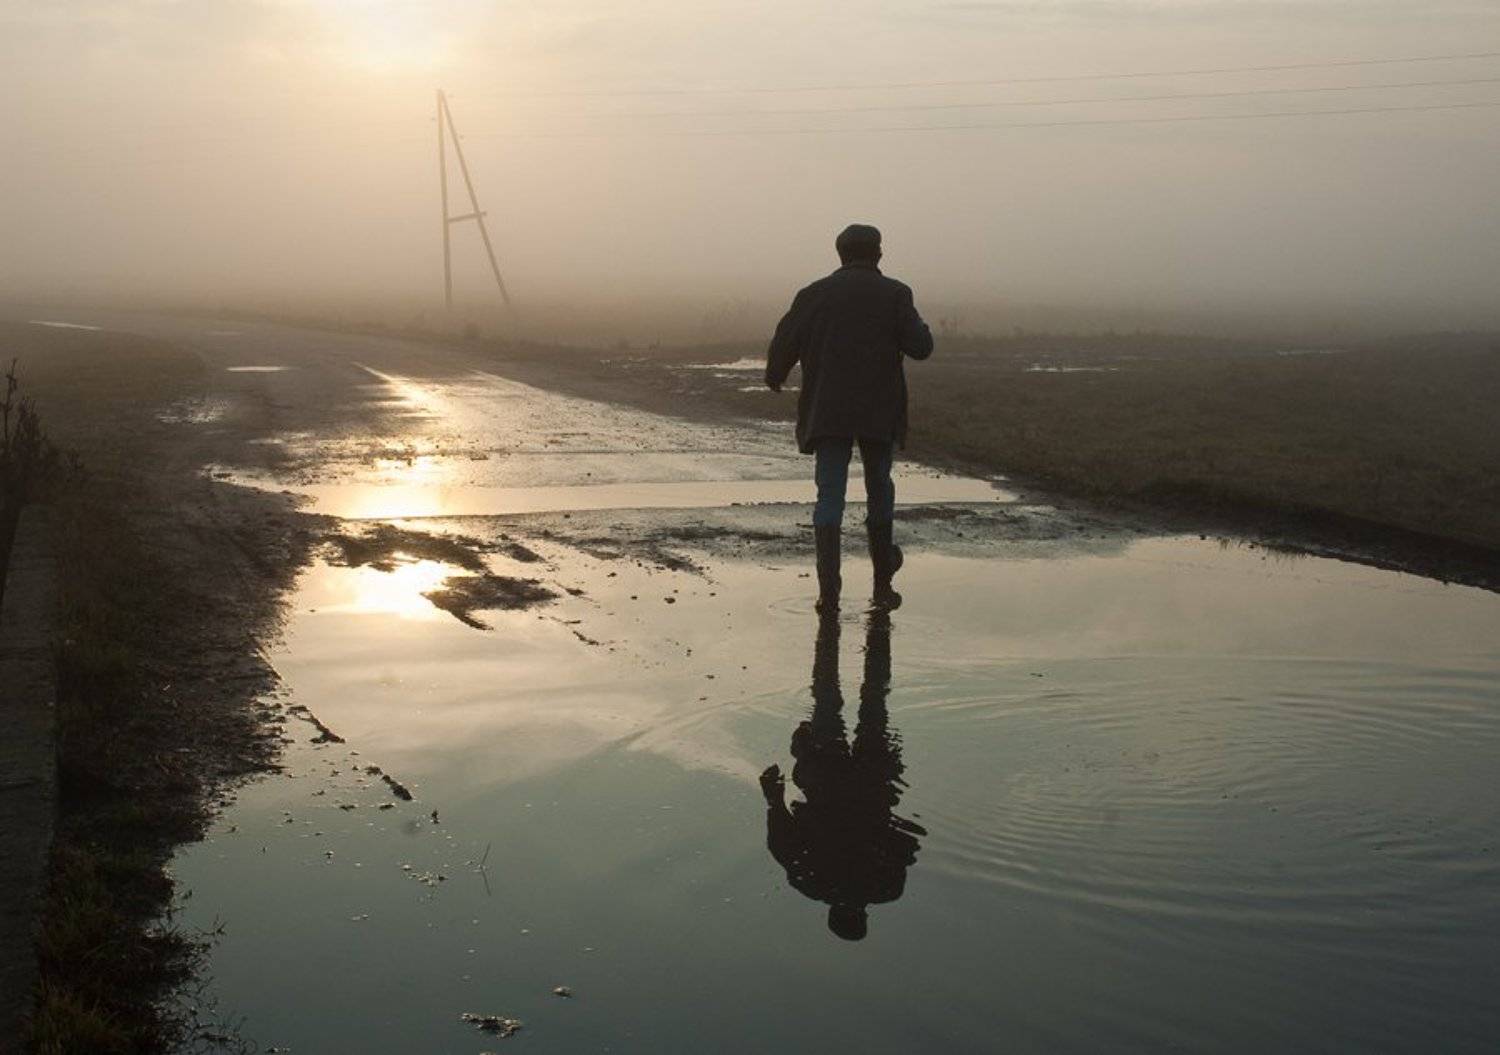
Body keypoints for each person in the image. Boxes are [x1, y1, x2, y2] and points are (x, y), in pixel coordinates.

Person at [765, 223, 934, 611]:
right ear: (877, 254)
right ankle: (882, 586)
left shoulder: (813, 295)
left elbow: (784, 341)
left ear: (840, 254)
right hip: (880, 411)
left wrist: (776, 374)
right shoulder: (895, 294)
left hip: (828, 411)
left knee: (830, 496)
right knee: (880, 490)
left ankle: (829, 594)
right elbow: (921, 346)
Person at [760, 609, 925, 941]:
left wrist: (886, 826)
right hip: (826, 779)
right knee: (827, 699)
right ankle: (832, 623)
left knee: (874, 702)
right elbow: (780, 834)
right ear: (832, 913)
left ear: (862, 916)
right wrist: (773, 796)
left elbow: (910, 841)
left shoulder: (885, 887)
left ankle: (877, 626)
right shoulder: (810, 881)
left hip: (871, 786)